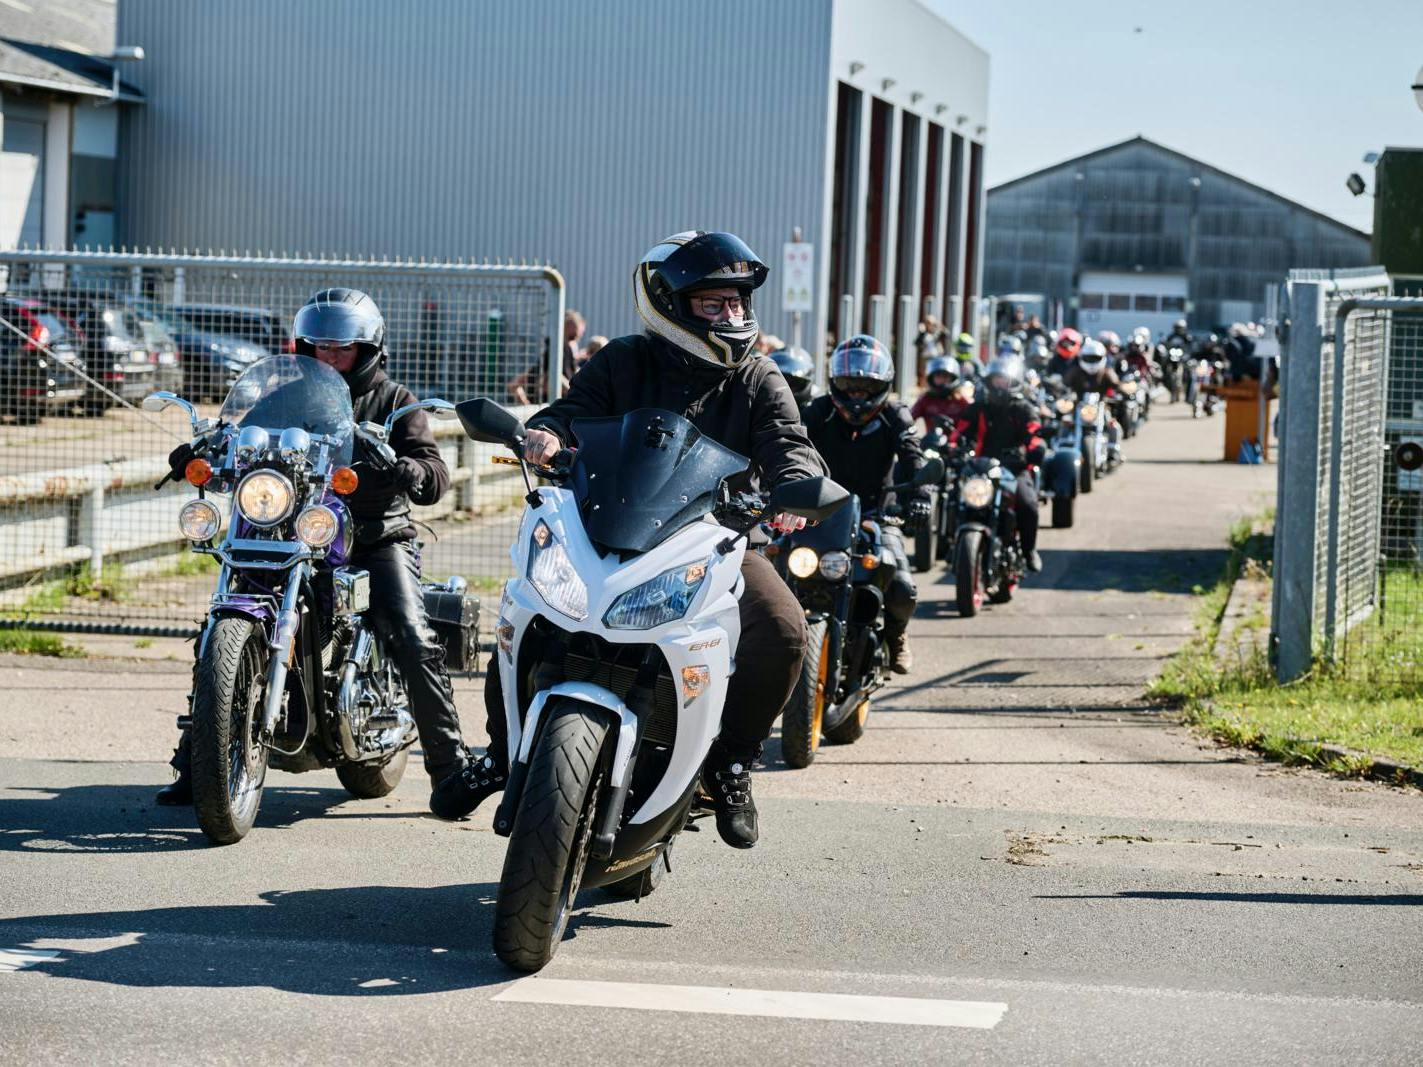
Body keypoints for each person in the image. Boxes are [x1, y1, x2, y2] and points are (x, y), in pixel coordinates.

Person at [435, 231, 827, 850]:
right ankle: (505, 748)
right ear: (670, 305)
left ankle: (730, 764)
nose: (731, 315)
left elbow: (788, 440)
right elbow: (570, 411)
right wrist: (544, 434)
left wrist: (798, 482)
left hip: (714, 541)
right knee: (526, 609)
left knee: (783, 627)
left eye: (736, 303)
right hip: (604, 528)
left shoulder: (757, 375)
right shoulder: (622, 360)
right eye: (713, 305)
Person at [156, 288, 475, 815]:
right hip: (290, 530)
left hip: (374, 537)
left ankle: (452, 771)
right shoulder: (281, 396)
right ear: (303, 347)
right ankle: (201, 763)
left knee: (412, 635)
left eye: (341, 349)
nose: (329, 358)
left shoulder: (396, 403)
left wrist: (411, 469)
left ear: (368, 351)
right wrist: (202, 451)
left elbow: (435, 470)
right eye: (319, 348)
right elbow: (233, 433)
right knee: (215, 628)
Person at [802, 335, 925, 674]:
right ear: (835, 383)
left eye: (865, 387)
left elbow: (914, 458)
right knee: (779, 571)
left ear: (882, 385)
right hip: (821, 514)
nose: (856, 396)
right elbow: (790, 447)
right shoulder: (818, 412)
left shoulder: (896, 415)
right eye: (849, 386)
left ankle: (897, 636)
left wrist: (920, 497)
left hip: (878, 515)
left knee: (901, 586)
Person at [953, 353, 1045, 573]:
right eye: (997, 379)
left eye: (1006, 380)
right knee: (957, 498)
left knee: (1028, 504)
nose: (1001, 384)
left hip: (1014, 469)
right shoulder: (978, 407)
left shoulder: (1023, 409)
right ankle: (950, 543)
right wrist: (952, 448)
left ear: (1015, 383)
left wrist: (1032, 450)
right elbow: (959, 432)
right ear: (990, 380)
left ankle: (1028, 550)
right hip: (981, 468)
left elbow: (1034, 435)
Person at [506, 308, 586, 405]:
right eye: (572, 337)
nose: (574, 343)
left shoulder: (567, 355)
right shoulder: (554, 354)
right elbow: (514, 385)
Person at [910, 355, 973, 436]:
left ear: (953, 378)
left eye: (946, 376)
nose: (942, 380)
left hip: (957, 445)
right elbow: (908, 420)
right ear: (931, 378)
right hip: (931, 445)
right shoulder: (925, 399)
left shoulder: (962, 400)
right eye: (938, 376)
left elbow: (976, 421)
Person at [769, 344, 817, 414]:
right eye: (778, 382)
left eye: (794, 382)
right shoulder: (758, 408)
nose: (787, 390)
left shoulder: (819, 411)